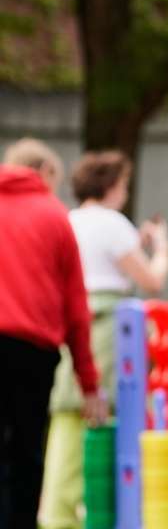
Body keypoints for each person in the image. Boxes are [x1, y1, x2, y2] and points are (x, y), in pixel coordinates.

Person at [40, 150, 168, 529]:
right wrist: (161, 247)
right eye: (124, 185)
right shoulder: (114, 224)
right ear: (113, 186)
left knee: (67, 413)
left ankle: (58, 512)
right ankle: (101, 510)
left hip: (65, 322)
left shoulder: (66, 220)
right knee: (107, 414)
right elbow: (152, 280)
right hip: (107, 328)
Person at [0, 139, 107, 529]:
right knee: (26, 454)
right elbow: (76, 308)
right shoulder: (53, 216)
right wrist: (89, 383)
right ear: (43, 171)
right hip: (32, 351)